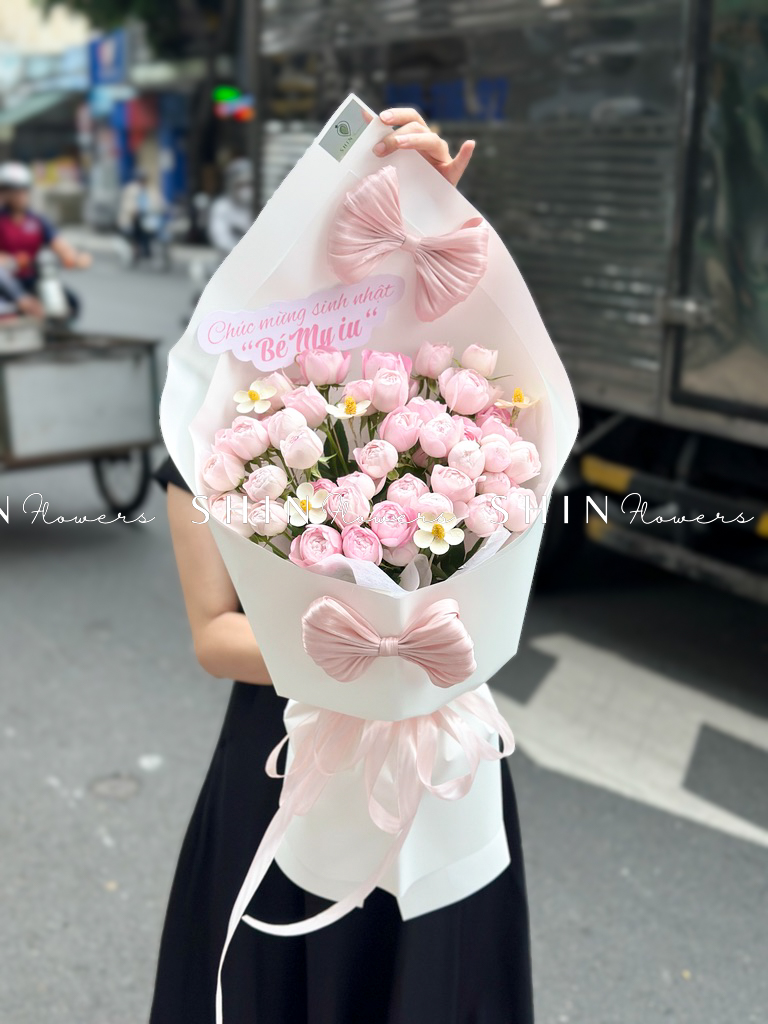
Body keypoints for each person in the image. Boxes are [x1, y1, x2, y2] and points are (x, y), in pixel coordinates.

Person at [150, 109, 534, 1024]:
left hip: (441, 750)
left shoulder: (445, 397)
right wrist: (374, 657)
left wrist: (435, 214)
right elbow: (214, 634)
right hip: (290, 758)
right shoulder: (218, 425)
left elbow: (487, 328)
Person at [0, 161, 91, 318]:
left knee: (70, 303)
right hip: (6, 281)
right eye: (14, 190)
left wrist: (75, 257)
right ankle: (22, 302)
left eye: (23, 189)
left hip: (32, 278)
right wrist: (12, 260)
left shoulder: (37, 221)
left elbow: (59, 244)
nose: (20, 194)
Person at [207, 157, 254, 257]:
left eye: (249, 184)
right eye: (240, 185)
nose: (245, 190)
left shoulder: (256, 206)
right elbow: (221, 239)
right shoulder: (221, 207)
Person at [117, 169, 164, 265]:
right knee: (135, 233)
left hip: (149, 218)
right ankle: (135, 251)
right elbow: (127, 204)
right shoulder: (131, 190)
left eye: (144, 179)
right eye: (141, 179)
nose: (143, 181)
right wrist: (134, 210)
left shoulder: (151, 190)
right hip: (133, 219)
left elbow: (159, 202)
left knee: (153, 232)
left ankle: (149, 251)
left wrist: (164, 208)